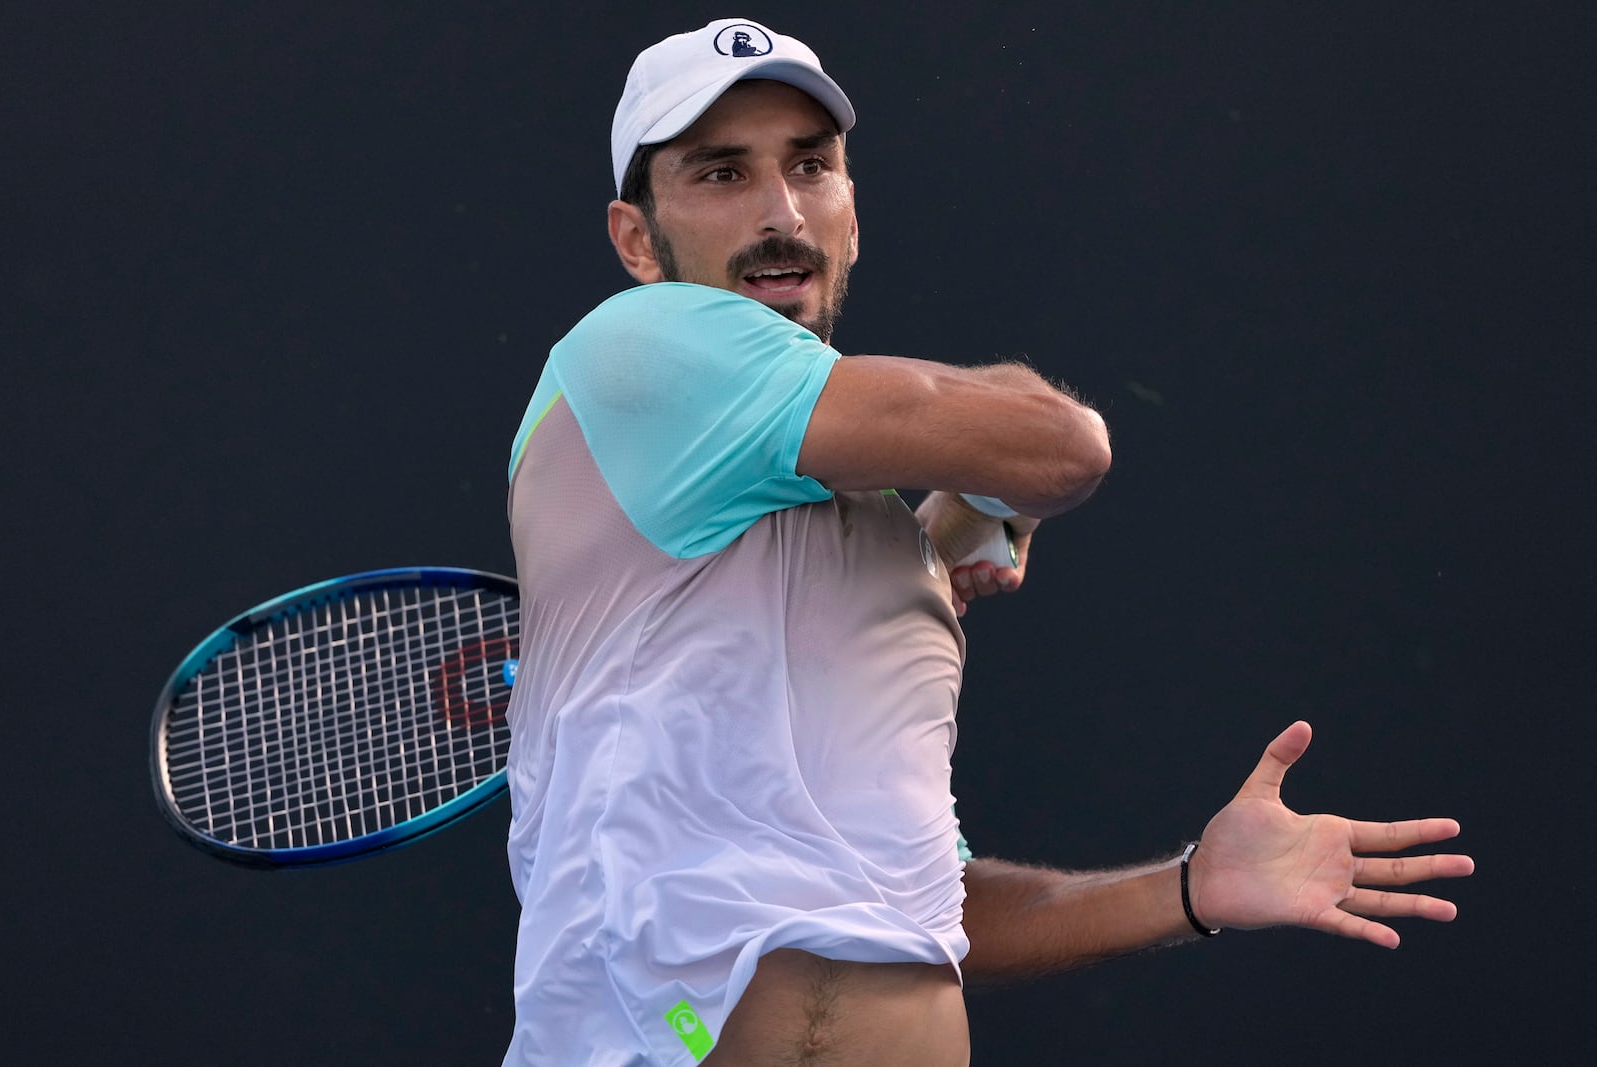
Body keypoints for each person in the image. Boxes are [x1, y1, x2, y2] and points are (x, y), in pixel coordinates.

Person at [501, 18, 1473, 1065]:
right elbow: (1063, 445)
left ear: (852, 211)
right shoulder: (638, 347)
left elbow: (927, 904)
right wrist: (987, 492)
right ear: (636, 240)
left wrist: (1190, 886)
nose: (780, 212)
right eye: (722, 173)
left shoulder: (888, 560)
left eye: (811, 167)